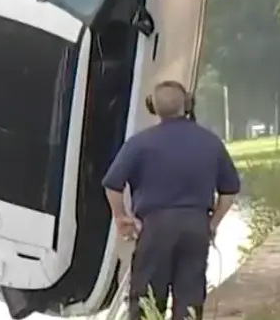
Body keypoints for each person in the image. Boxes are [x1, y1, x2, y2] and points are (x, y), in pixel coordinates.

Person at [102, 81, 241, 320]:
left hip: (155, 227)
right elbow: (229, 191)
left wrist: (121, 216)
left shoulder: (139, 143)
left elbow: (112, 184)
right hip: (196, 226)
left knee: (146, 299)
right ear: (186, 105)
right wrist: (212, 224)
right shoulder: (210, 142)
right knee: (189, 300)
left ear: (153, 107)